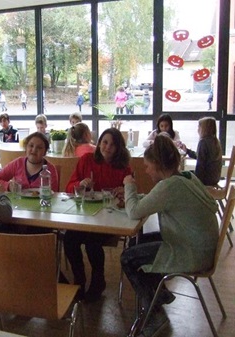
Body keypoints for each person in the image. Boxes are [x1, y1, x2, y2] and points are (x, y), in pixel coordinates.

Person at [121, 135, 218, 336]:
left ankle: (154, 313)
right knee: (137, 243)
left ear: (157, 164)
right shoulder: (186, 178)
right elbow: (154, 200)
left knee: (128, 257)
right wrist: (138, 197)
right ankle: (159, 295)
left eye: (148, 166)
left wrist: (129, 185)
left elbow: (133, 212)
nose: (146, 171)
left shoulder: (169, 186)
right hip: (200, 246)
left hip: (190, 253)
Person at [64, 128, 131, 302]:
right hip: (85, 216)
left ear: (118, 148)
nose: (107, 147)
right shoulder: (87, 160)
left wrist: (124, 191)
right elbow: (68, 187)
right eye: (104, 142)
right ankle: (78, 280)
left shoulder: (123, 168)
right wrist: (80, 184)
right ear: (99, 142)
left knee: (93, 242)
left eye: (112, 144)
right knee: (69, 240)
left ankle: (98, 281)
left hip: (110, 220)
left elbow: (131, 194)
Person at [0, 132, 59, 233]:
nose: (34, 150)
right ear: (26, 148)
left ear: (45, 152)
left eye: (39, 148)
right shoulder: (18, 163)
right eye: (31, 146)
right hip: (16, 213)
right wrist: (8, 186)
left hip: (41, 216)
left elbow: (54, 196)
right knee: (1, 233)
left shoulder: (50, 170)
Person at [179, 117, 222, 186]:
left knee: (180, 176)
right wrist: (187, 150)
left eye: (199, 127)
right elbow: (200, 157)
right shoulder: (216, 142)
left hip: (205, 179)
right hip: (215, 178)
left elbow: (200, 165)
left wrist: (197, 182)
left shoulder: (203, 142)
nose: (197, 129)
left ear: (204, 129)